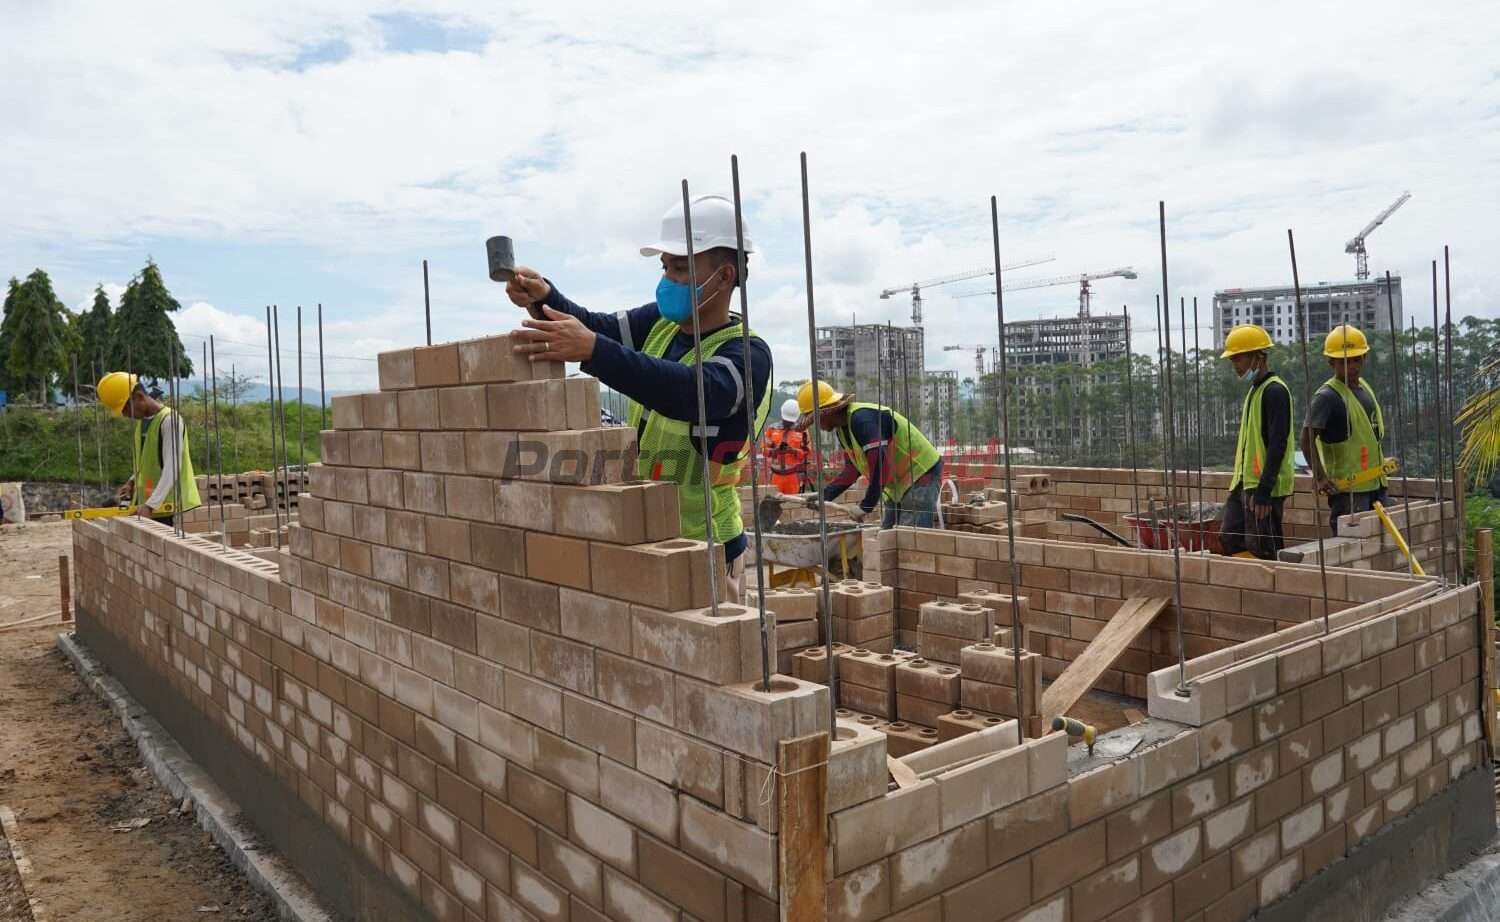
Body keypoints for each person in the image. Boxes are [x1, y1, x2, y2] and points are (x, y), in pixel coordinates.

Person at [503, 194, 772, 602]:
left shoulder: (747, 355)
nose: (668, 279)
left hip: (709, 544)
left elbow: (689, 392)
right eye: (665, 266)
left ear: (724, 276)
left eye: (681, 268)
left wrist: (594, 350)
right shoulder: (661, 324)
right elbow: (600, 329)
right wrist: (546, 299)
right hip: (653, 533)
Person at [797, 382, 942, 528]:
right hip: (900, 480)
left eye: (815, 419)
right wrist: (825, 496)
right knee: (888, 535)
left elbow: (880, 464)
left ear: (826, 411)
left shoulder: (862, 420)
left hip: (921, 472)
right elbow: (851, 471)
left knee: (909, 537)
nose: (816, 425)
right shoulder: (843, 430)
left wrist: (866, 506)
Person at [1299, 325, 1388, 534]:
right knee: (1351, 548)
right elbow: (1306, 438)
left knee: (1380, 545)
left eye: (1357, 359)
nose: (1353, 366)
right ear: (1331, 362)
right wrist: (1320, 477)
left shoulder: (1363, 387)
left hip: (1376, 485)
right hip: (1348, 493)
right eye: (1345, 361)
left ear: (1364, 357)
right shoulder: (1327, 397)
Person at [1218, 325, 1293, 559]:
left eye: (1238, 359)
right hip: (1245, 481)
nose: (1235, 366)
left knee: (1263, 545)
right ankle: (1249, 585)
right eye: (1233, 360)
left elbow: (1278, 443)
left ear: (1258, 357)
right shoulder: (1255, 390)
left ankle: (1274, 588)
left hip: (1263, 485)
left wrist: (1264, 491)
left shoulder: (1275, 391)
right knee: (1230, 537)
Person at [96, 372, 201, 526]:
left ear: (139, 397)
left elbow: (172, 469)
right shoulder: (143, 422)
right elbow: (147, 460)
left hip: (164, 505)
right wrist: (131, 481)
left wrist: (151, 506)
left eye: (125, 408)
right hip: (148, 502)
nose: (124, 415)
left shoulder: (170, 421)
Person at [763, 398, 810, 495]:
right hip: (775, 476)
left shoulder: (803, 432)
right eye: (786, 420)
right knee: (774, 504)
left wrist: (792, 450)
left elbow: (807, 453)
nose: (788, 422)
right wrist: (775, 450)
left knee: (793, 505)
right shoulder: (772, 429)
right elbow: (764, 450)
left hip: (794, 477)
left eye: (790, 421)